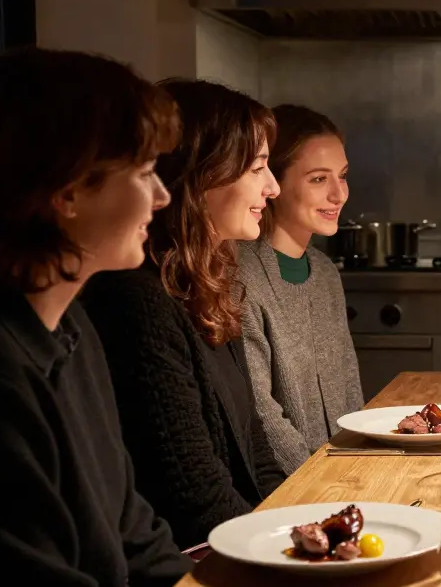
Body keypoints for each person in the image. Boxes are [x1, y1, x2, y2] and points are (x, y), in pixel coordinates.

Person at [0, 49, 191, 587]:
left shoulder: (72, 325)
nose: (162, 197)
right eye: (143, 173)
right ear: (68, 191)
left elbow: (129, 525)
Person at [80, 79, 287, 549]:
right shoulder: (137, 301)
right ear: (200, 177)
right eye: (258, 168)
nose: (273, 187)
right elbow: (194, 500)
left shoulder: (209, 282)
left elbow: (253, 446)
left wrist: (301, 529)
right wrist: (281, 549)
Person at [238, 104, 364, 473]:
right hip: (295, 494)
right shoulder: (241, 276)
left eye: (342, 176)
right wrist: (320, 483)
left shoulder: (325, 272)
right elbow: (264, 418)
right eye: (318, 179)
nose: (339, 195)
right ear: (273, 183)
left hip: (346, 482)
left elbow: (350, 388)